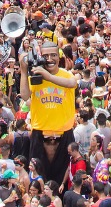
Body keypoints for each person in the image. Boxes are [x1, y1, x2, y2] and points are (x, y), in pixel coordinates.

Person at [21, 38, 77, 186]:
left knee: (63, 182)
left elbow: (73, 83)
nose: (50, 59)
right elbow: (25, 96)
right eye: (45, 56)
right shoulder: (36, 76)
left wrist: (49, 77)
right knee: (38, 182)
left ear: (59, 57)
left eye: (53, 55)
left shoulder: (66, 74)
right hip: (40, 133)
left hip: (64, 134)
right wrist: (23, 70)